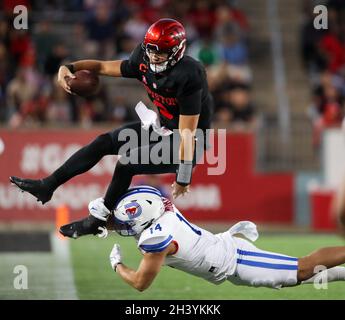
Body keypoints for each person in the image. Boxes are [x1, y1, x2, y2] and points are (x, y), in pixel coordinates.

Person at [10, 19, 214, 238]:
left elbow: (187, 133)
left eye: (161, 51)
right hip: (162, 127)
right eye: (151, 49)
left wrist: (183, 176)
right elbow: (103, 67)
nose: (154, 55)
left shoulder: (189, 74)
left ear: (177, 50)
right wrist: (70, 67)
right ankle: (47, 185)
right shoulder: (143, 58)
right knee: (103, 142)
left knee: (127, 162)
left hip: (188, 143)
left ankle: (97, 220)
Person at [106, 186, 345, 291]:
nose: (126, 228)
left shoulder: (158, 242)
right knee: (291, 278)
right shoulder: (163, 208)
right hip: (226, 258)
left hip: (236, 260)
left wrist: (117, 265)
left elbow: (140, 283)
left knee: (301, 269)